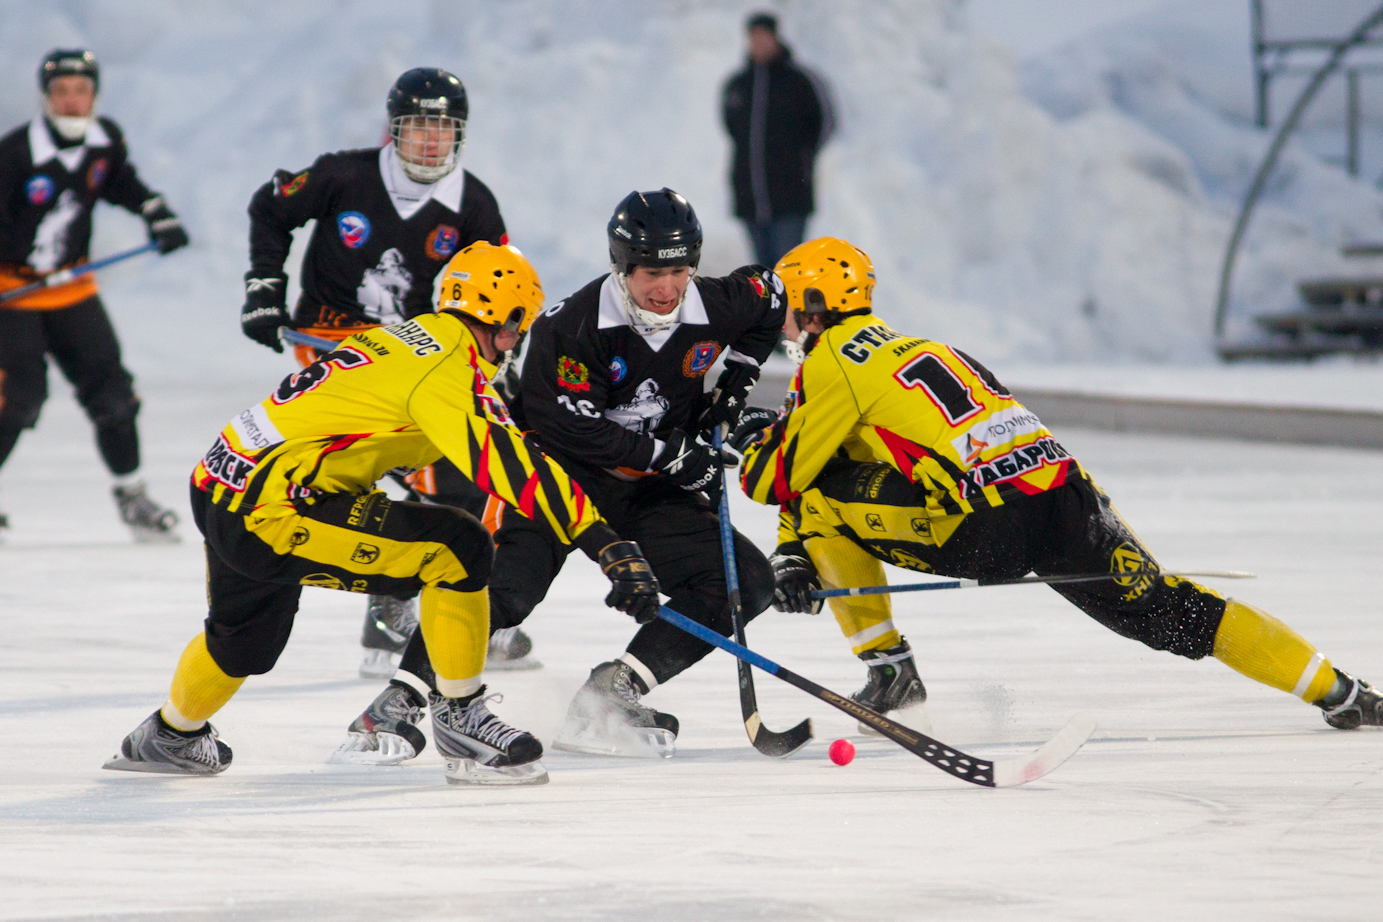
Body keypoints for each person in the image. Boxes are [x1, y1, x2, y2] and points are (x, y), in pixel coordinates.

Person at [733, 237, 1383, 731]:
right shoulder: (919, 348)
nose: (782, 325)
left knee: (816, 488)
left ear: (813, 304)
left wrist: (748, 441)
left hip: (983, 529)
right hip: (1064, 499)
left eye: (787, 308)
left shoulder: (828, 364)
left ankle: (886, 665)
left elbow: (778, 478)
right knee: (1168, 610)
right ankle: (1338, 691)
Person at [103, 243, 662, 785]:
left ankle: (170, 733)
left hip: (225, 479)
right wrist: (603, 540)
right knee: (457, 546)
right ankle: (462, 716)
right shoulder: (448, 365)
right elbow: (509, 466)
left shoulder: (405, 337)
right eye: (519, 327)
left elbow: (369, 427)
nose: (516, 343)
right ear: (506, 319)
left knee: (243, 640)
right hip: (276, 504)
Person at [335, 188, 787, 762]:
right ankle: (396, 705)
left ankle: (610, 697)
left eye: (679, 270)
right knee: (501, 592)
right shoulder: (571, 327)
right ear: (622, 266)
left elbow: (772, 296)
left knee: (744, 582)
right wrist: (672, 456)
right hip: (555, 479)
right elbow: (576, 430)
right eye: (651, 272)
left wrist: (736, 383)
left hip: (648, 490)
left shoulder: (714, 303)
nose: (667, 288)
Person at [238, 66, 533, 678]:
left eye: (444, 129)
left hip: (417, 358)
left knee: (461, 477)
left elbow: (497, 289)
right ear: (394, 130)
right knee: (436, 476)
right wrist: (264, 288)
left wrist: (496, 369)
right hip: (335, 345)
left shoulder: (473, 204)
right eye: (419, 127)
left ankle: (431, 606)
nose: (430, 142)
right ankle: (403, 608)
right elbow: (270, 209)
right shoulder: (343, 174)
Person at [0, 49, 188, 540]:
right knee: (15, 399)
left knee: (115, 397)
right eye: (60, 92)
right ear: (45, 98)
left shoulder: (105, 142)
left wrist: (156, 212)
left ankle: (133, 498)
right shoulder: (14, 154)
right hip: (14, 291)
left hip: (72, 287)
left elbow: (122, 183)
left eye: (80, 91)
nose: (71, 101)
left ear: (94, 95)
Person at [721, 12, 834, 270]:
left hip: (790, 197)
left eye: (764, 37)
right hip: (749, 197)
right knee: (764, 275)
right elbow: (730, 128)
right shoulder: (737, 85)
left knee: (788, 271)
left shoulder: (799, 82)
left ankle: (792, 312)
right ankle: (770, 312)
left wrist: (802, 159)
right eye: (753, 38)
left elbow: (824, 124)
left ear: (775, 38)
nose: (759, 43)